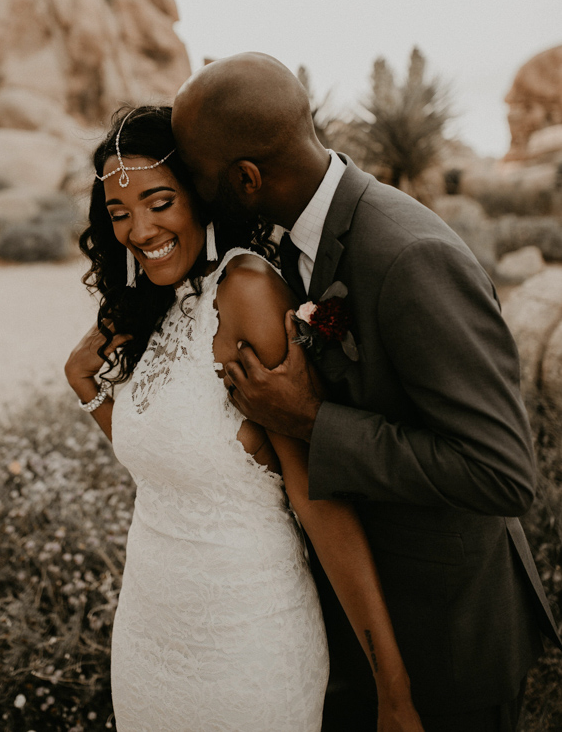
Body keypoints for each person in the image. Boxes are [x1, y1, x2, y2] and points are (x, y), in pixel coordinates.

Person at [170, 52, 562, 732]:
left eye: (201, 183)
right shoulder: (293, 233)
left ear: (247, 178)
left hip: (448, 637)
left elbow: (501, 475)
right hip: (363, 622)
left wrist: (314, 420)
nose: (198, 199)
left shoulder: (410, 255)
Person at [65, 104, 425, 732]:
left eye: (159, 202)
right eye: (119, 214)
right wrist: (84, 385)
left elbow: (320, 500)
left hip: (247, 646)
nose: (139, 230)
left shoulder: (247, 292)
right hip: (148, 637)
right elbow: (163, 467)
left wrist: (391, 687)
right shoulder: (160, 303)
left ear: (200, 197)